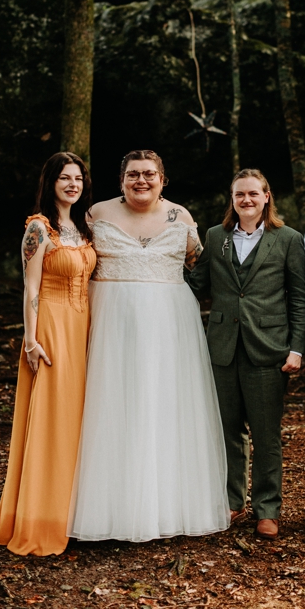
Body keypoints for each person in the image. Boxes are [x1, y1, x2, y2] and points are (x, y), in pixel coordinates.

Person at [69, 149, 229, 542]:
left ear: (163, 179)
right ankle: (109, 508)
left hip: (170, 324)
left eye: (150, 174)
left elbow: (201, 268)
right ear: (121, 180)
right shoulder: (96, 214)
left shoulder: (182, 217)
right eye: (133, 174)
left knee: (164, 406)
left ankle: (167, 505)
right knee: (112, 405)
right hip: (111, 321)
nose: (142, 180)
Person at [186, 168, 305, 541]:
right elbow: (196, 284)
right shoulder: (215, 237)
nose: (247, 200)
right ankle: (231, 499)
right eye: (240, 194)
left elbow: (299, 297)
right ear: (232, 198)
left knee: (266, 433)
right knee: (227, 430)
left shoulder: (288, 239)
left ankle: (267, 508)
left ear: (266, 196)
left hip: (268, 348)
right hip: (222, 348)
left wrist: (297, 348)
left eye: (254, 194)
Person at [0, 153, 96, 556]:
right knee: (53, 418)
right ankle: (40, 517)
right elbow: (30, 289)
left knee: (77, 418)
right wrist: (30, 341)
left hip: (82, 327)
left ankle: (74, 512)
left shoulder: (83, 227)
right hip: (51, 327)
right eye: (64, 178)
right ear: (50, 182)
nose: (72, 184)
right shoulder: (39, 227)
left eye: (78, 178)